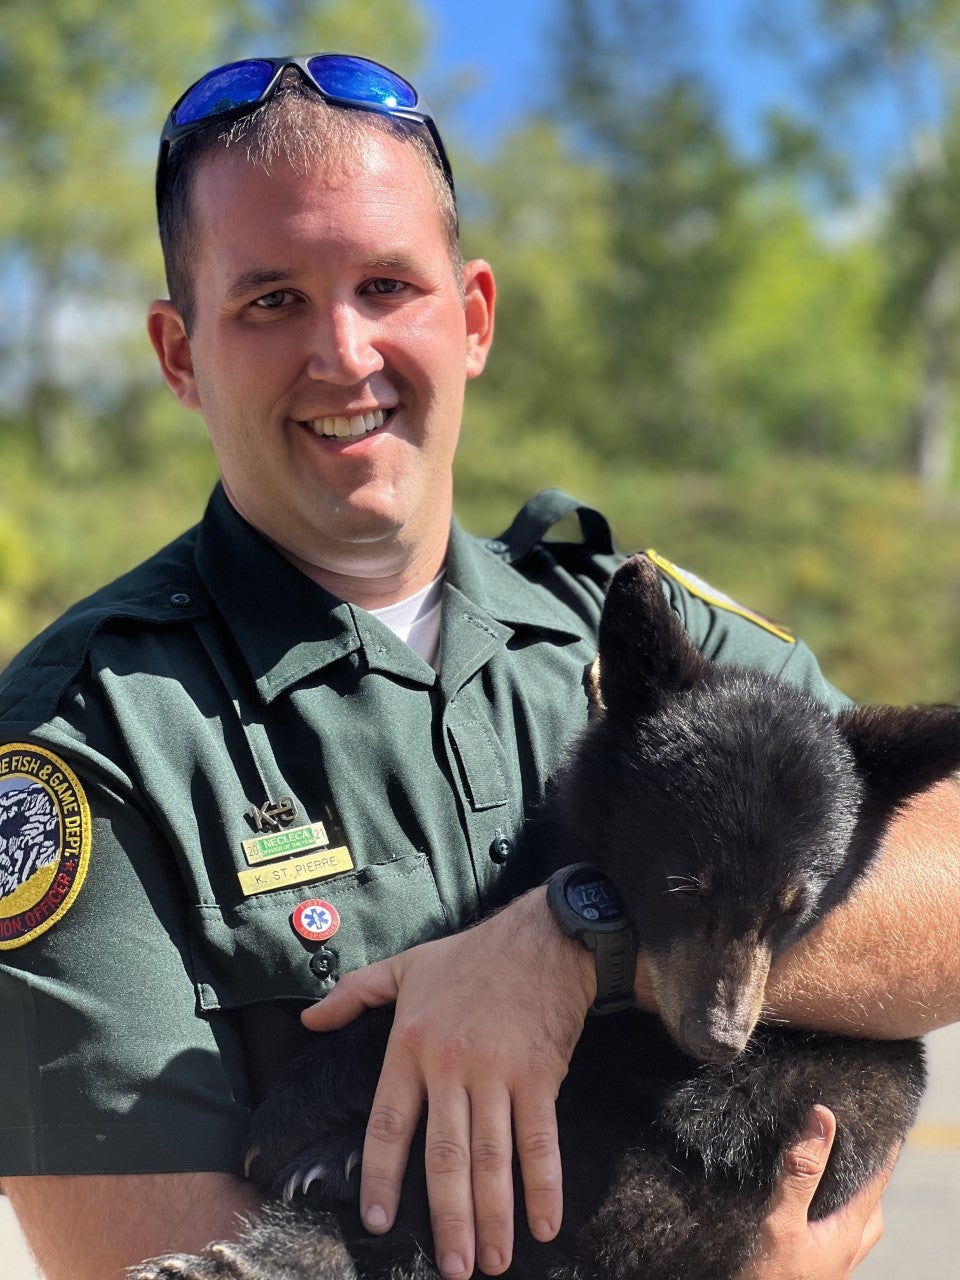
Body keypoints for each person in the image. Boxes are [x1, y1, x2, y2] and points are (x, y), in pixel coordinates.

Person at [0, 52, 956, 1280]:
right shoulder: (86, 746)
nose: (344, 354)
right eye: (271, 300)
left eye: (387, 285)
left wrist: (583, 944)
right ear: (179, 355)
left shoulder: (641, 637)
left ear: (474, 317)